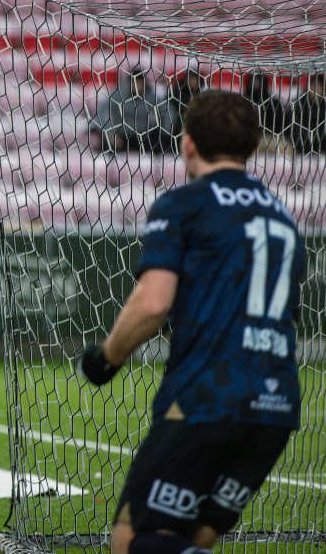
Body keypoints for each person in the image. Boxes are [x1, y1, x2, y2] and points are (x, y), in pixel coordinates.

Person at [77, 89, 305, 554]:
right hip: (277, 405)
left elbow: (153, 303)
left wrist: (105, 359)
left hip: (208, 396)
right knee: (192, 539)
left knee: (133, 539)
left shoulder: (185, 204)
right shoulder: (283, 217)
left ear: (188, 143)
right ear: (252, 145)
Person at [90, 68, 163, 153]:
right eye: (135, 83)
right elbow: (101, 111)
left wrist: (164, 132)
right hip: (121, 137)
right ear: (129, 83)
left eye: (140, 83)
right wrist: (109, 133)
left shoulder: (150, 95)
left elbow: (165, 111)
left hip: (143, 138)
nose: (138, 86)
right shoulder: (118, 94)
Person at [158, 68, 203, 151]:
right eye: (191, 79)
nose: (193, 81)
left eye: (195, 79)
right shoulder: (179, 89)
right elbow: (174, 103)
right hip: (176, 115)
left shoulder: (200, 91)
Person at [242, 72, 289, 149]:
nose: (256, 85)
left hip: (269, 137)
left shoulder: (274, 103)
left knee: (283, 147)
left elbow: (279, 125)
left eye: (259, 81)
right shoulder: (242, 101)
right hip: (246, 138)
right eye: (253, 82)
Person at [288, 73, 325, 154]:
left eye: (319, 86)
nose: (316, 89)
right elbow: (295, 128)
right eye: (313, 86)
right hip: (302, 146)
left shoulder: (324, 106)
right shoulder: (299, 104)